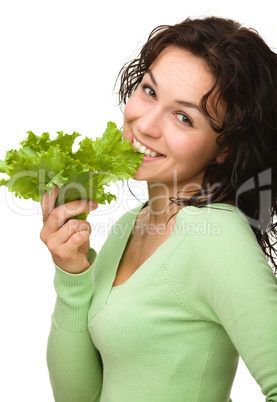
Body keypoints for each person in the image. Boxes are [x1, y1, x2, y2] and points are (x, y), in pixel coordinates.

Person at [40, 16, 277, 401]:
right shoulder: (131, 225)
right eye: (149, 91)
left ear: (225, 147)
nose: (145, 125)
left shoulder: (217, 240)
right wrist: (72, 276)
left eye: (184, 117)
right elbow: (78, 397)